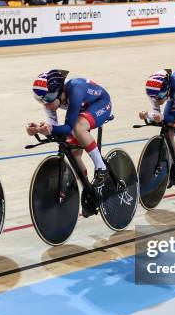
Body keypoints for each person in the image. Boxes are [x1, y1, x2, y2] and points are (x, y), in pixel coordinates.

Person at [27, 69, 112, 217]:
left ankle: (101, 167)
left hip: (101, 104)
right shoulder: (49, 99)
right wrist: (39, 129)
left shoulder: (76, 88)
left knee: (77, 127)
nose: (45, 104)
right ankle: (88, 192)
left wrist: (50, 129)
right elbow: (54, 128)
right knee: (74, 154)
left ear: (60, 91)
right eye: (40, 100)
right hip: (81, 111)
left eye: (48, 98)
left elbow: (66, 127)